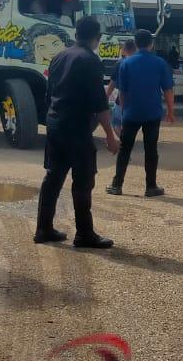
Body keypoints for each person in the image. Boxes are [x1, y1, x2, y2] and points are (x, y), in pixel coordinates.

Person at [35, 17, 120, 249]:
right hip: (77, 127)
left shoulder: (59, 56)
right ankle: (84, 234)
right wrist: (110, 135)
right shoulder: (90, 60)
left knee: (53, 177)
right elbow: (99, 102)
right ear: (97, 38)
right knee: (83, 180)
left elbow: (49, 93)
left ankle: (43, 229)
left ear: (76, 34)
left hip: (56, 123)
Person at [107, 29, 175, 197]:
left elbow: (122, 92)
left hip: (131, 113)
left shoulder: (126, 63)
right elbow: (168, 90)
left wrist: (124, 110)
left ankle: (117, 185)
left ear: (136, 44)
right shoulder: (160, 63)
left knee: (124, 149)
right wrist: (170, 111)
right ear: (151, 44)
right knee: (151, 149)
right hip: (152, 113)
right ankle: (151, 187)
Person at [106, 39, 138, 126]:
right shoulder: (141, 62)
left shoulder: (120, 63)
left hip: (123, 98)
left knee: (116, 122)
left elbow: (112, 83)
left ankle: (123, 135)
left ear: (124, 49)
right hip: (139, 99)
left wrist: (106, 97)